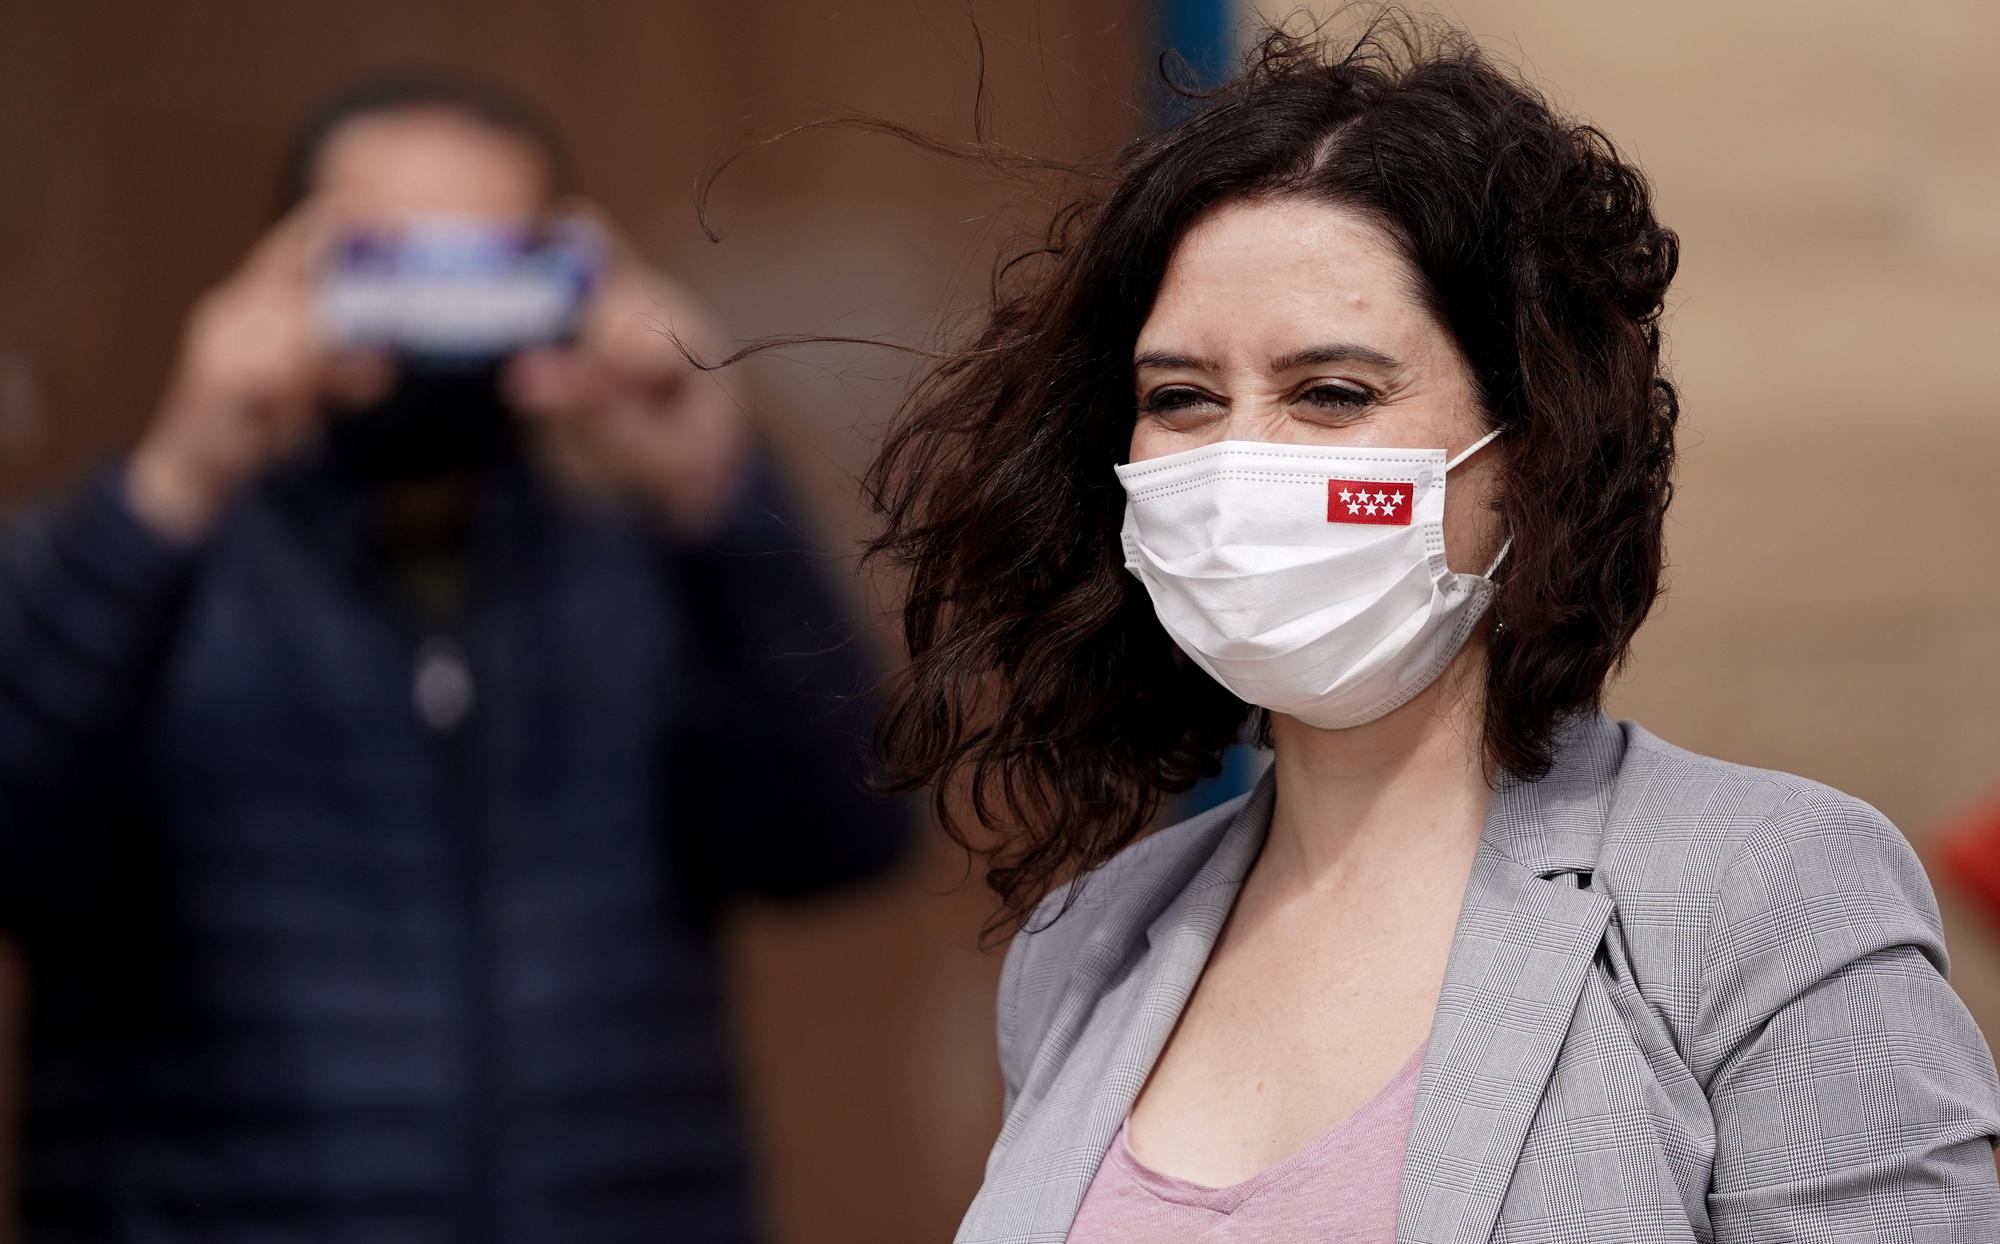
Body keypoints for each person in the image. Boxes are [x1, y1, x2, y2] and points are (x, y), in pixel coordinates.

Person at [853, 19, 2000, 1242]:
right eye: (1178, 397)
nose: (1239, 457)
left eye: (1331, 393)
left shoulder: (1761, 896)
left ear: (1528, 447)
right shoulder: (1084, 945)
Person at [0, 74, 908, 1242]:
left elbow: (843, 837)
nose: (431, 321)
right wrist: (174, 482)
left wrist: (714, 491)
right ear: (283, 279)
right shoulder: (121, 569)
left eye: (481, 273)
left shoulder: (644, 576)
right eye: (385, 268)